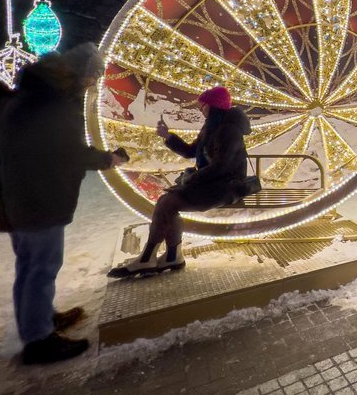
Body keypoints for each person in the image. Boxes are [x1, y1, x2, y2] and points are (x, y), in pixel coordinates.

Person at [0, 44, 127, 365]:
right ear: (79, 74)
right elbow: (67, 152)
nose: (92, 85)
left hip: (21, 198)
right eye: (92, 78)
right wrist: (107, 158)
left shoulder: (27, 96)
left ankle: (40, 321)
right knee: (41, 268)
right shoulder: (53, 104)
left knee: (30, 267)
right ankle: (39, 340)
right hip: (39, 201)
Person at [108, 86, 253, 277]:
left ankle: (149, 258)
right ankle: (171, 256)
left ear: (214, 106)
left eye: (204, 106)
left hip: (228, 186)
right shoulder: (211, 126)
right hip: (214, 183)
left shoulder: (229, 129)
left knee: (169, 202)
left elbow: (222, 166)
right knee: (166, 201)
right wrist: (168, 136)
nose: (201, 110)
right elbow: (190, 151)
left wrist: (193, 179)